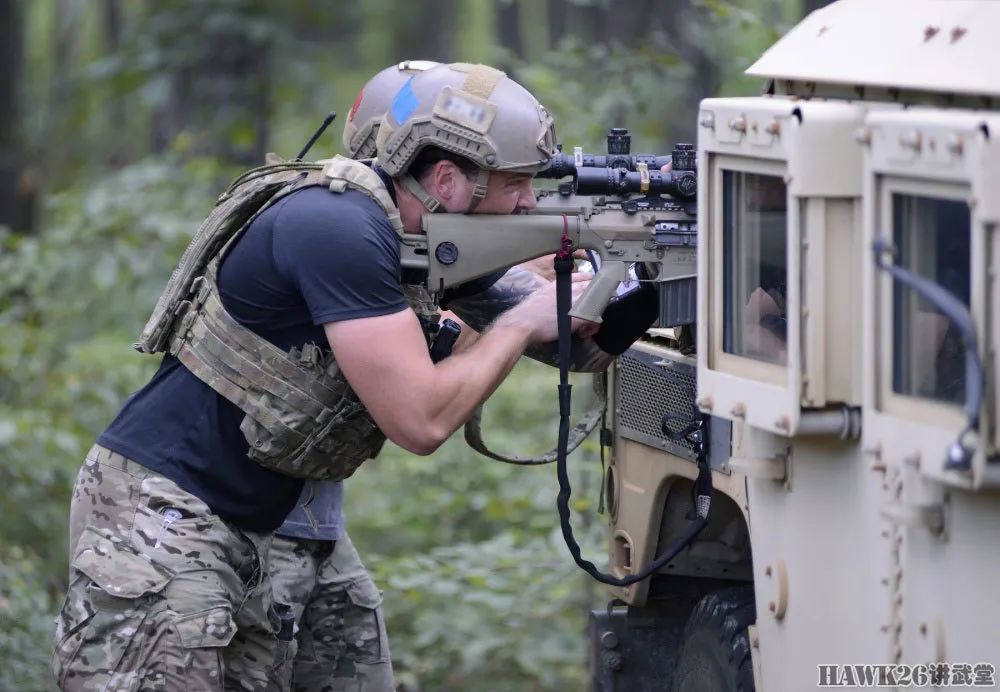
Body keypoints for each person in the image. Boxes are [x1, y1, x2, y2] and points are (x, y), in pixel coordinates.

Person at [51, 62, 623, 692]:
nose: (529, 203)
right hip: (166, 513)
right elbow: (421, 420)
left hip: (276, 516)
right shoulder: (336, 227)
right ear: (447, 180)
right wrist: (515, 327)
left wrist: (638, 278)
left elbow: (585, 346)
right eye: (516, 185)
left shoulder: (429, 240)